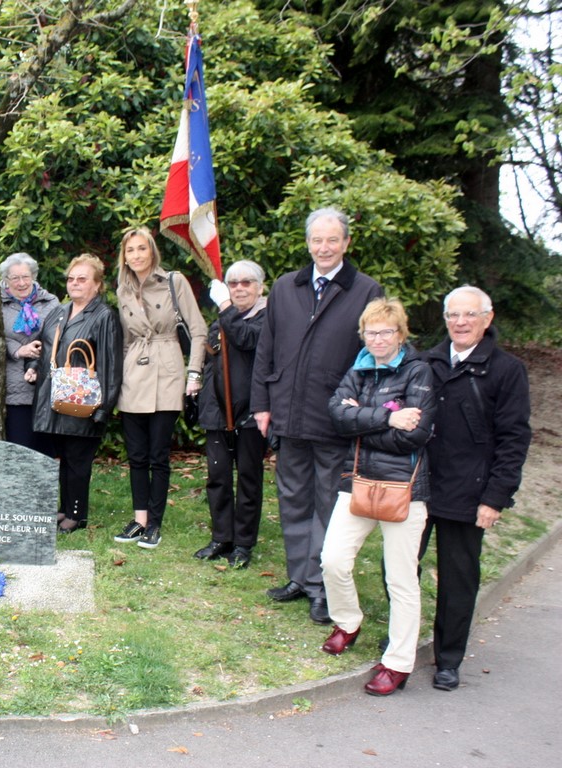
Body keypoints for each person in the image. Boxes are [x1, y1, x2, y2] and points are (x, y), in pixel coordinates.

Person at [251, 207, 384, 624]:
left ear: (346, 243)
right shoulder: (286, 287)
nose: (324, 248)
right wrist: (261, 404)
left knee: (328, 504)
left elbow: (373, 356)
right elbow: (266, 349)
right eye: (316, 240)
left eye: (332, 240)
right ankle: (299, 576)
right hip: (287, 413)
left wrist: (357, 406)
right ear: (308, 243)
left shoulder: (366, 291)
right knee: (293, 498)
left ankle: (321, 585)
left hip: (333, 417)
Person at [319, 298, 435, 696]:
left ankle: (398, 663)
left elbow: (415, 435)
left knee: (401, 579)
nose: (378, 339)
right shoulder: (359, 368)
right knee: (333, 560)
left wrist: (361, 421)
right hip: (358, 482)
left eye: (386, 332)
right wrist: (387, 416)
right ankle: (348, 621)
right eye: (371, 332)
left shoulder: (418, 371)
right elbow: (337, 418)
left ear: (400, 334)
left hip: (404, 490)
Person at [420, 286, 531, 692]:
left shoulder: (507, 370)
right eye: (453, 315)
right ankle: (401, 639)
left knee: (458, 580)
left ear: (487, 318)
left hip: (469, 492)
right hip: (419, 487)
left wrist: (495, 497)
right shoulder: (426, 361)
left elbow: (514, 438)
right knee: (397, 568)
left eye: (469, 315)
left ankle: (448, 659)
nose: (460, 322)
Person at [113, 228, 206, 549]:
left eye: (142, 248)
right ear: (124, 257)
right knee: (137, 455)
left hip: (167, 371)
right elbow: (125, 340)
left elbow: (198, 330)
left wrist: (194, 374)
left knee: (158, 455)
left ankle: (155, 523)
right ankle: (139, 520)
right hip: (133, 375)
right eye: (130, 250)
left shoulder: (173, 282)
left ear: (152, 251)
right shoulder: (122, 290)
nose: (136, 255)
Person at [29, 254, 123, 533]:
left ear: (97, 284)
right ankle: (65, 507)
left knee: (79, 459)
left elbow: (111, 365)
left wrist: (104, 408)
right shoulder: (59, 311)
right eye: (71, 279)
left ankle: (77, 514)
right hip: (57, 398)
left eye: (82, 279)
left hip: (86, 401)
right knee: (65, 458)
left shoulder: (104, 316)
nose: (75, 283)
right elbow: (43, 346)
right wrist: (33, 367)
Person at [195, 260, 268, 568]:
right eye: (233, 283)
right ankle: (222, 537)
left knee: (249, 478)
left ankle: (243, 543)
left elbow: (246, 338)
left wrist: (225, 306)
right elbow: (212, 360)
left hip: (250, 411)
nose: (239, 288)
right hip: (218, 410)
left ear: (260, 287)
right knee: (218, 476)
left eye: (246, 282)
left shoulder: (267, 318)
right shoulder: (222, 319)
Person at [0, 252, 59, 454]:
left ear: (33, 276)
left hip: (45, 384)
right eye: (15, 278)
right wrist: (17, 349)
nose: (21, 283)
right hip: (13, 385)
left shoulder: (50, 302)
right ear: (6, 280)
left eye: (25, 276)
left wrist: (38, 354)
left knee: (45, 452)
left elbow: (57, 335)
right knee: (19, 449)